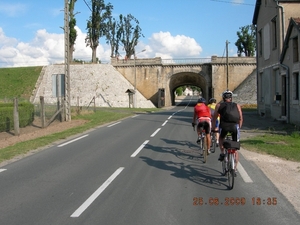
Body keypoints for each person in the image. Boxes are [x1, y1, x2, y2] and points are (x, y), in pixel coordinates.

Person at [212, 90, 243, 174]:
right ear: (231, 98)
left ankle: (222, 153)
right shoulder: (237, 105)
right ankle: (235, 168)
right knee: (235, 149)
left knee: (221, 138)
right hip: (234, 127)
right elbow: (240, 118)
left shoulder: (219, 105)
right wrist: (238, 127)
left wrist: (214, 127)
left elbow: (214, 117)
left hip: (224, 126)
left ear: (223, 98)